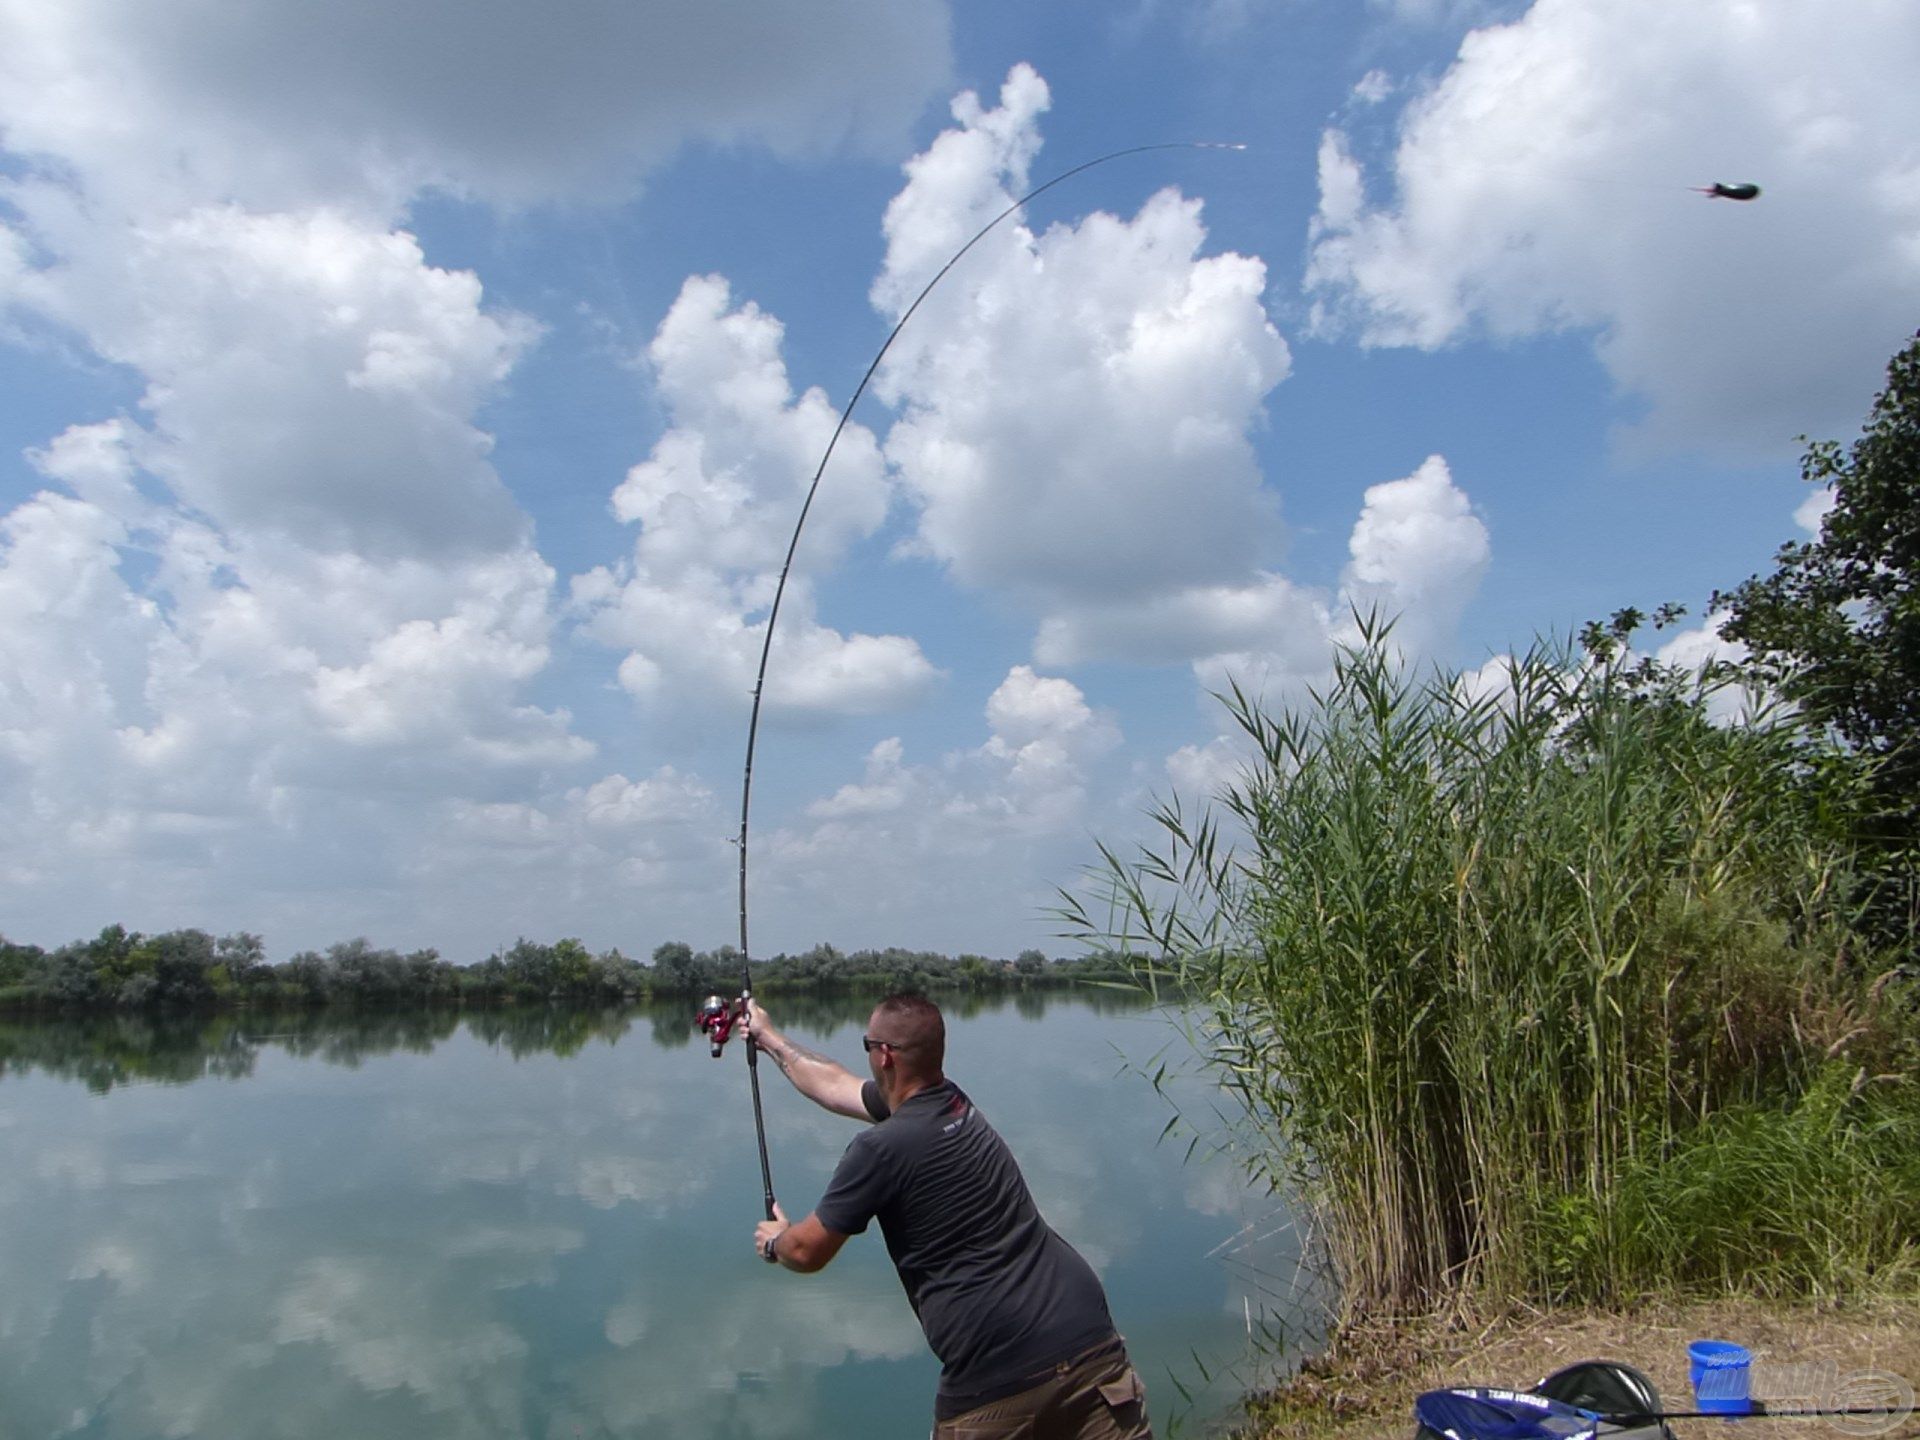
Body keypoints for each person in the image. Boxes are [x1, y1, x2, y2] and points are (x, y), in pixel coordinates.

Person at [747, 992, 1153, 1440]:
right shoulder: (954, 1101)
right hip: (1090, 1343)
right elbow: (834, 1086)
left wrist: (774, 1242)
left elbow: (806, 1251)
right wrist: (769, 1039)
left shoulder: (878, 1151)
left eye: (867, 1045)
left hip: (997, 1375)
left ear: (883, 1056)